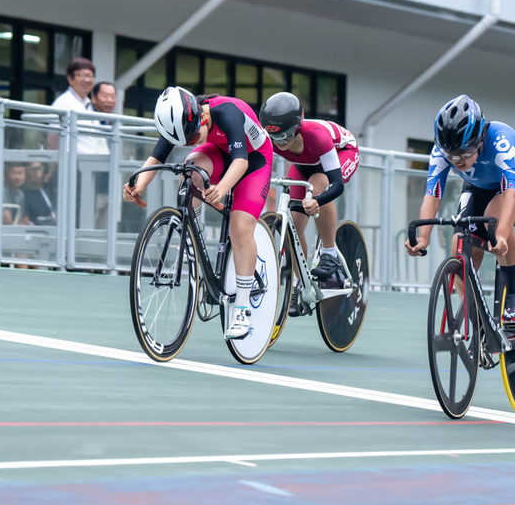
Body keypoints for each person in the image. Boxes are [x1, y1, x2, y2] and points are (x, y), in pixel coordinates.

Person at [123, 87, 274, 339]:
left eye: (192, 140)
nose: (189, 143)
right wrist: (138, 184)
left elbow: (241, 161)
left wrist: (222, 188)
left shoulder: (228, 112)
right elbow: (157, 156)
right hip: (222, 153)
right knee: (189, 171)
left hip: (253, 160)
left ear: (202, 119)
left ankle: (243, 307)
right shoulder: (181, 120)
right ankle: (196, 239)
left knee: (239, 225)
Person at [404, 94, 515, 326]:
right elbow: (433, 194)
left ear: (479, 139)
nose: (456, 160)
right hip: (478, 187)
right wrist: (423, 236)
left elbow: (511, 193)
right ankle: (478, 321)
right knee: (460, 246)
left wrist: (501, 234)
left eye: (464, 153)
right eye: (451, 155)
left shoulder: (501, 139)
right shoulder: (441, 151)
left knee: (495, 221)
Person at [259, 92, 360, 285]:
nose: (280, 143)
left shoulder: (317, 135)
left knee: (316, 185)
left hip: (342, 152)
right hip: (306, 161)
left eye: (285, 136)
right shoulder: (268, 137)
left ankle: (330, 253)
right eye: (274, 137)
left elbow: (336, 185)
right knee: (295, 226)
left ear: (297, 127)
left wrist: (318, 201)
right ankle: (302, 284)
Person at [88, 81, 117, 228]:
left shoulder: (113, 123)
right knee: (87, 224)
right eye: (105, 96)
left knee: (106, 229)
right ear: (93, 98)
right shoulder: (87, 119)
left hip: (109, 185)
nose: (110, 100)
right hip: (91, 183)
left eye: (112, 96)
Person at [22, 161, 56, 226]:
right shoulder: (22, 194)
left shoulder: (47, 193)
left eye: (38, 169)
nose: (35, 173)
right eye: (32, 169)